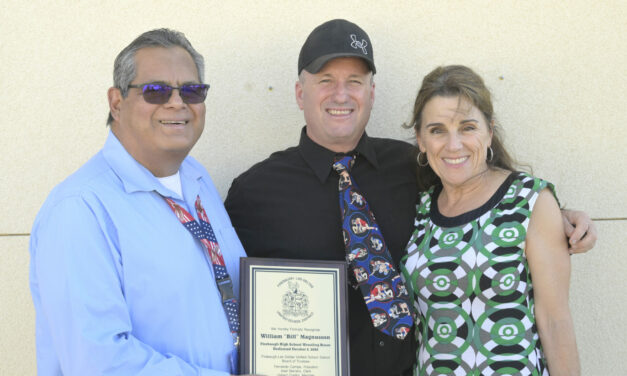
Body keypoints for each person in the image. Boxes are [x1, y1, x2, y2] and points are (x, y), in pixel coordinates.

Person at [224, 19, 595, 376]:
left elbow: (484, 202)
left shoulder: (416, 169)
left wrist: (556, 215)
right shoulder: (253, 192)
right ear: (299, 92)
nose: (341, 94)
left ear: (371, 93)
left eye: (354, 81)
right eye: (326, 81)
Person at [29, 29, 249, 375]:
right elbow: (100, 363)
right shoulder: (79, 210)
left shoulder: (195, 178)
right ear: (116, 103)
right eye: (156, 91)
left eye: (191, 90)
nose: (177, 103)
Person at [401, 65, 580, 375]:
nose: (453, 144)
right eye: (437, 130)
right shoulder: (419, 208)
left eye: (467, 127)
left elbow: (555, 322)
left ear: (490, 131)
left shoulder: (528, 201)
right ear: (420, 139)